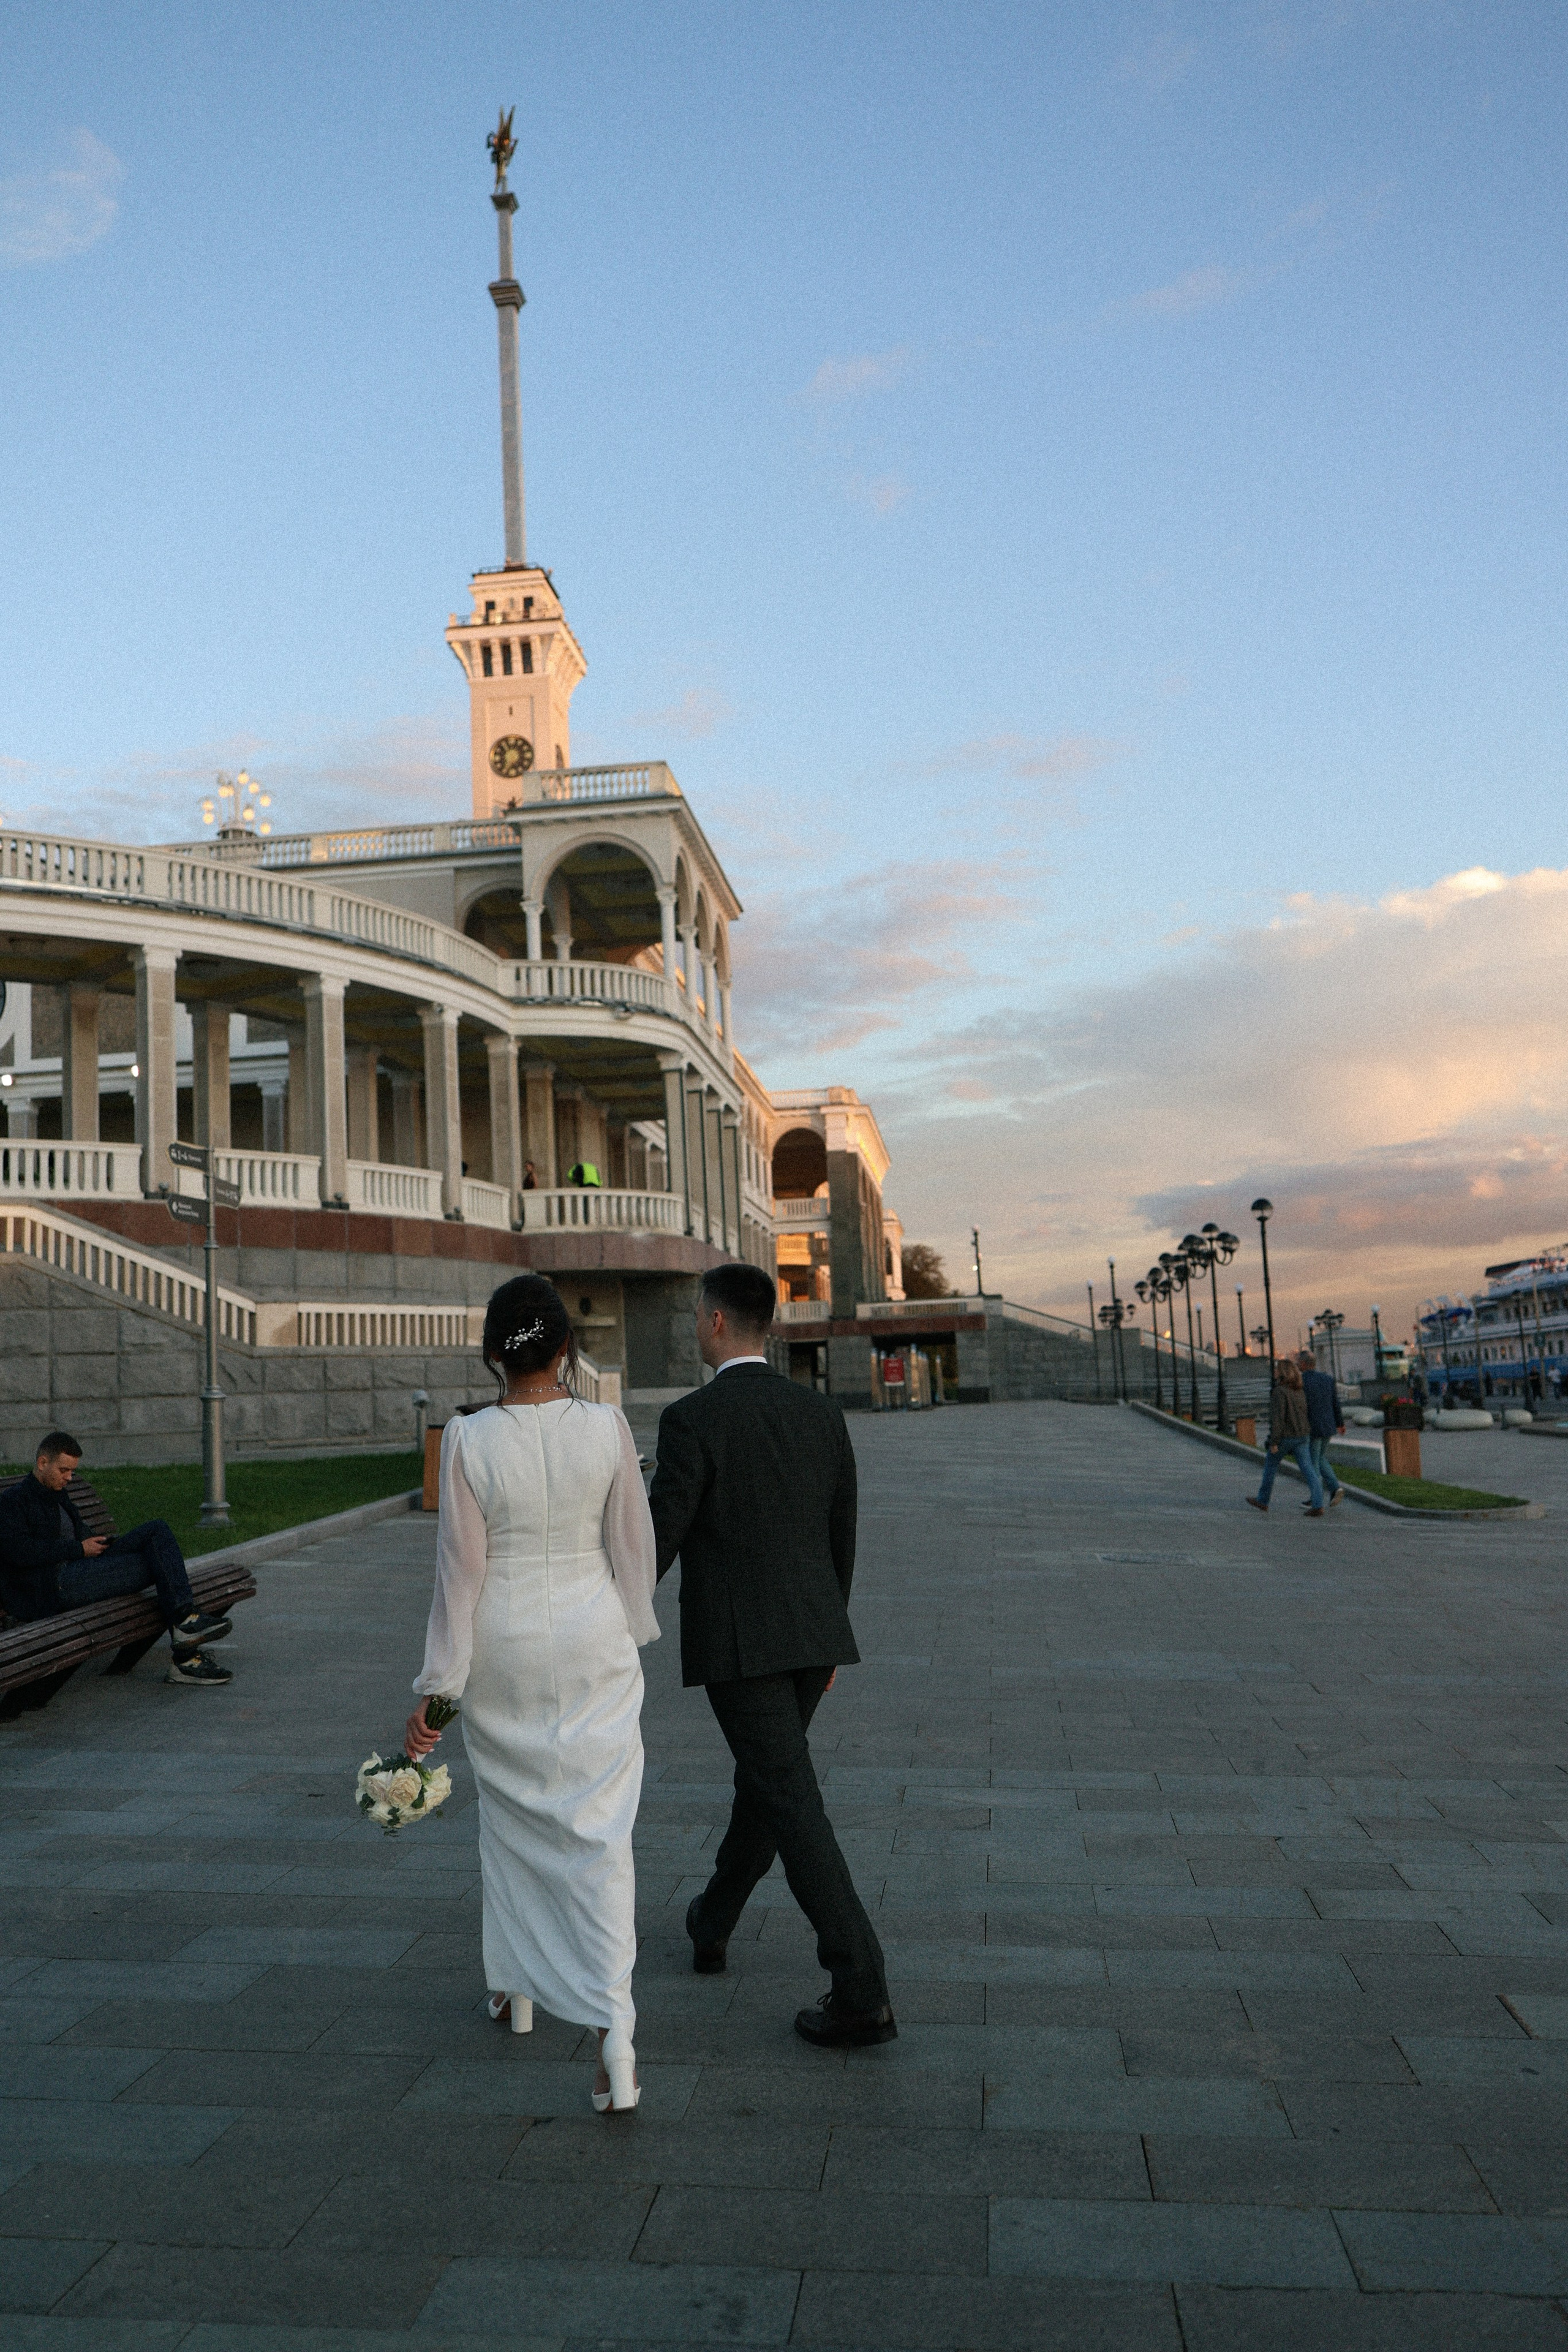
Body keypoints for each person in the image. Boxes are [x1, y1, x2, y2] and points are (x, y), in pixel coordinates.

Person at [404, 1275, 658, 2115]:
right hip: (593, 1637)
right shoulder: (608, 1425)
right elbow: (632, 1543)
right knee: (600, 1832)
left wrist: (438, 1697)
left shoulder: (469, 1440)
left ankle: (519, 1993)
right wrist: (634, 1625)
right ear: (567, 1349)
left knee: (512, 1822)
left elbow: (460, 1576)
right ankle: (612, 2037)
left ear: (491, 1353)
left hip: (506, 1643)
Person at [649, 1262, 895, 2049]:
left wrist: (599, 1611)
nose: (694, 1326)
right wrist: (829, 1638)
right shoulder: (820, 1414)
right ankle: (712, 1919)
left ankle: (860, 1987)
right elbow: (842, 1537)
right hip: (811, 1638)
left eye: (695, 1315)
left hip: (739, 1646)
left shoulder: (691, 1419)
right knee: (771, 1785)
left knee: (790, 1800)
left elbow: (658, 1540)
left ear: (717, 1322)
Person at [0, 1431, 233, 1686]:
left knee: (157, 1530)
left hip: (83, 1566)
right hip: (54, 1584)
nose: (69, 1478)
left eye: (72, 1472)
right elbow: (20, 1553)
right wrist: (79, 1550)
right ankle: (185, 1648)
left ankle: (185, 1623)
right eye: (63, 1470)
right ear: (42, 1463)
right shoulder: (14, 1501)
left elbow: (78, 1534)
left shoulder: (58, 1494)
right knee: (157, 1563)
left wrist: (100, 1543)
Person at [1247, 1361, 1325, 1515]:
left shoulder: (1279, 1392)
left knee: (1270, 1468)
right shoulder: (1299, 1391)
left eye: (1277, 1369)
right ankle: (1318, 1504)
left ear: (1282, 1372)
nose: (1275, 1371)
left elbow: (1278, 1419)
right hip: (1302, 1435)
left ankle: (1263, 1501)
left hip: (1285, 1437)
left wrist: (1274, 1442)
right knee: (1309, 1470)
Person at [1300, 1348, 1345, 1510]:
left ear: (1304, 1364)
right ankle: (1335, 1488)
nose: (1298, 1365)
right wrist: (1340, 1423)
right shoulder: (1327, 1379)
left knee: (1313, 1464)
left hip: (1312, 1427)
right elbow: (1335, 1403)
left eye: (1299, 1363)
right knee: (1320, 1458)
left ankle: (1315, 1498)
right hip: (1328, 1426)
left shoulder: (1301, 1381)